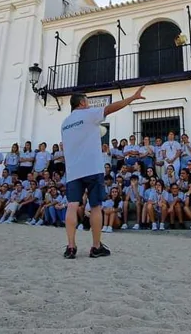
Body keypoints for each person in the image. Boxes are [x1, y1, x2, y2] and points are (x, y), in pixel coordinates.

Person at [60, 86, 145, 259]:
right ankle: (96, 246)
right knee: (96, 206)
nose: (90, 104)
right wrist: (132, 98)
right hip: (92, 168)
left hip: (73, 170)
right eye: (88, 102)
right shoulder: (89, 114)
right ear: (83, 103)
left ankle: (70, 247)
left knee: (72, 206)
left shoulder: (65, 123)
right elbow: (112, 107)